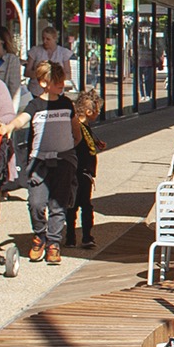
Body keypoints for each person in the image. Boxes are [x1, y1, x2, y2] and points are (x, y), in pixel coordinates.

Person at [9, 60, 77, 264]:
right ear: (43, 82)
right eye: (56, 81)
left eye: (62, 80)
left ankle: (54, 243)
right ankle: (40, 234)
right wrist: (9, 126)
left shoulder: (66, 103)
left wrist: (73, 150)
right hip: (39, 163)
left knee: (59, 204)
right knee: (36, 203)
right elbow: (22, 119)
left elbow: (76, 130)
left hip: (63, 159)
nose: (61, 84)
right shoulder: (35, 104)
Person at [69, 88, 103, 250]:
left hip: (83, 171)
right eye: (97, 110)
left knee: (74, 204)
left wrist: (96, 143)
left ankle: (72, 236)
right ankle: (85, 236)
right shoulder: (78, 127)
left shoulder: (83, 126)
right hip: (81, 171)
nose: (98, 113)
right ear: (89, 111)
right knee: (83, 205)